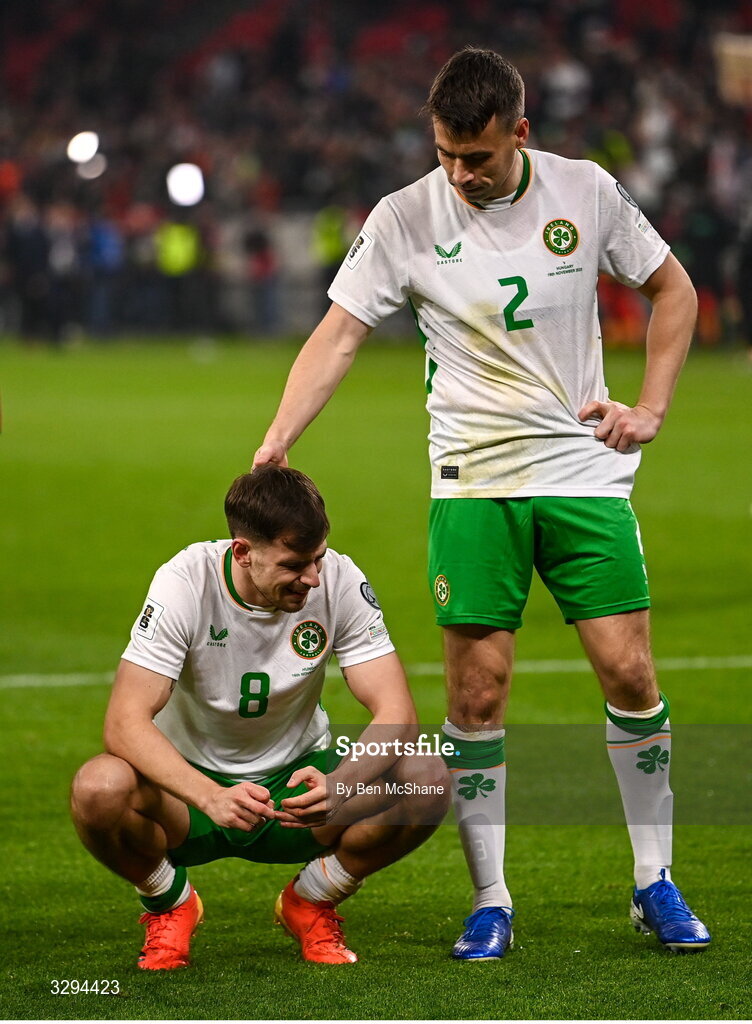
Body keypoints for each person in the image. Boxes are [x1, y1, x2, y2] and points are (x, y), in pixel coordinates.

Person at [253, 48, 711, 960]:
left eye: (480, 158)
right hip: (471, 477)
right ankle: (490, 899)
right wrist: (277, 441)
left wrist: (650, 408)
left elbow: (673, 289)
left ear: (520, 134)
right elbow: (340, 333)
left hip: (582, 472)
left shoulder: (585, 191)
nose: (461, 174)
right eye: (447, 154)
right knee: (477, 694)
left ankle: (654, 880)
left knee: (630, 676)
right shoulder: (404, 217)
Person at [71, 466, 449, 969]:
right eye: (295, 565)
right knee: (97, 788)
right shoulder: (185, 581)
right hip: (189, 794)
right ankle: (170, 903)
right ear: (242, 552)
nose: (312, 578)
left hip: (298, 784)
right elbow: (124, 722)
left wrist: (340, 783)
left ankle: (312, 899)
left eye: (317, 558)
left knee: (428, 777)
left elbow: (397, 712)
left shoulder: (338, 578)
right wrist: (209, 794)